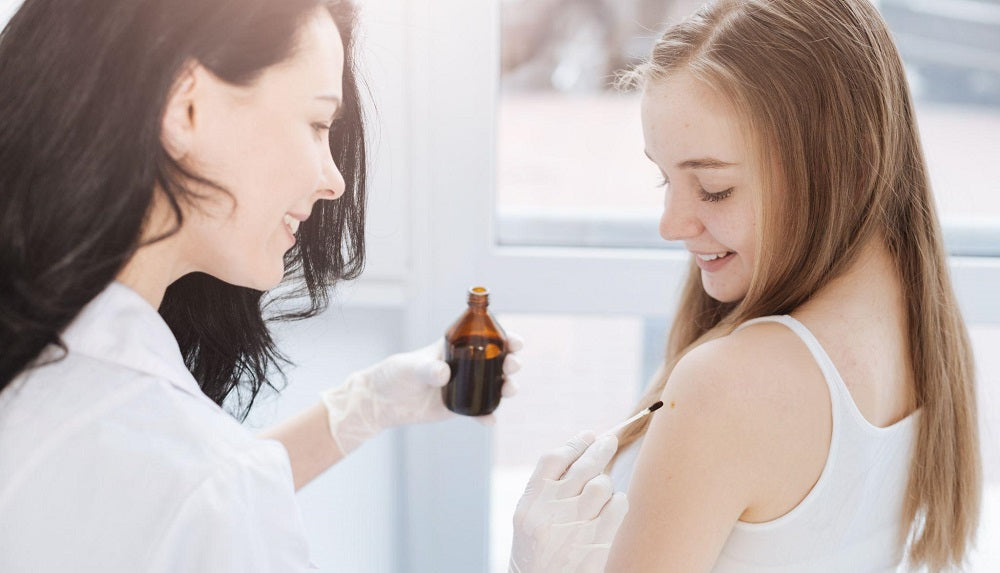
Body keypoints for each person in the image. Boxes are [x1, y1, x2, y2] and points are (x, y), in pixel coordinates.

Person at [0, 0, 627, 571]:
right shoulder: (201, 478)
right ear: (186, 107)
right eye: (317, 123)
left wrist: (365, 406)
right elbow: (196, 495)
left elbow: (141, 504)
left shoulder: (57, 363)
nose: (334, 181)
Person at [603, 0, 981, 571]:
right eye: (665, 177)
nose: (672, 224)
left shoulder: (728, 383)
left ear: (851, 164)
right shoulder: (920, 330)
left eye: (712, 188)